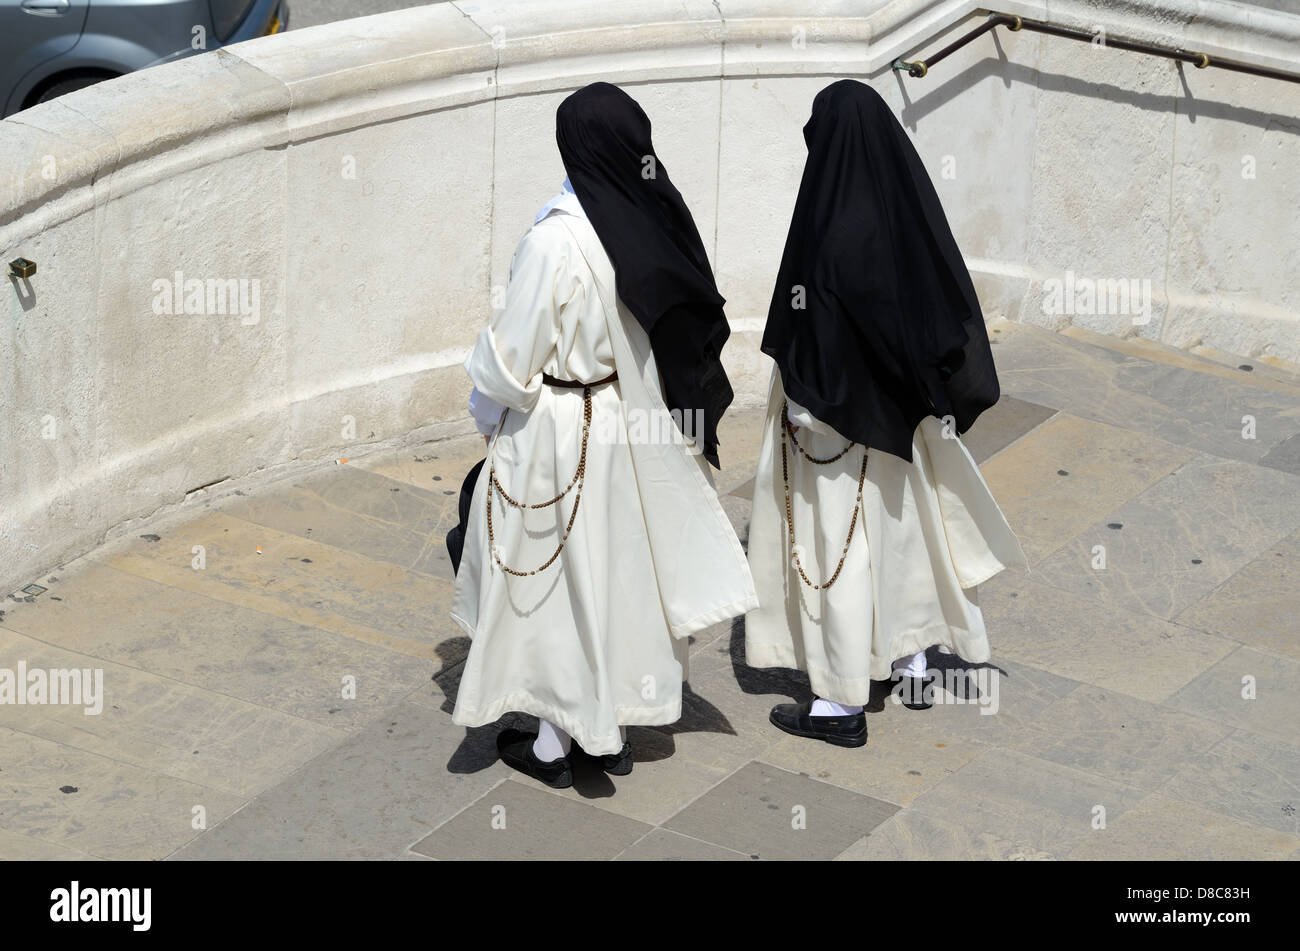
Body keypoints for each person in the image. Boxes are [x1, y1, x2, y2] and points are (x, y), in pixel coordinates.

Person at [450, 83, 757, 787]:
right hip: (615, 425)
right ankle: (605, 726)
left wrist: (486, 401)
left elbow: (511, 355)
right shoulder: (644, 219)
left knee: (553, 586)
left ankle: (561, 744)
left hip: (555, 430)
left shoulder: (556, 240)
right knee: (607, 581)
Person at [745, 79, 1027, 747]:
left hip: (834, 428)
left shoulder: (830, 224)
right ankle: (914, 659)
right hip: (903, 421)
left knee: (837, 556)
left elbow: (819, 337)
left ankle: (838, 704)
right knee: (901, 540)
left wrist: (801, 421)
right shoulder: (904, 209)